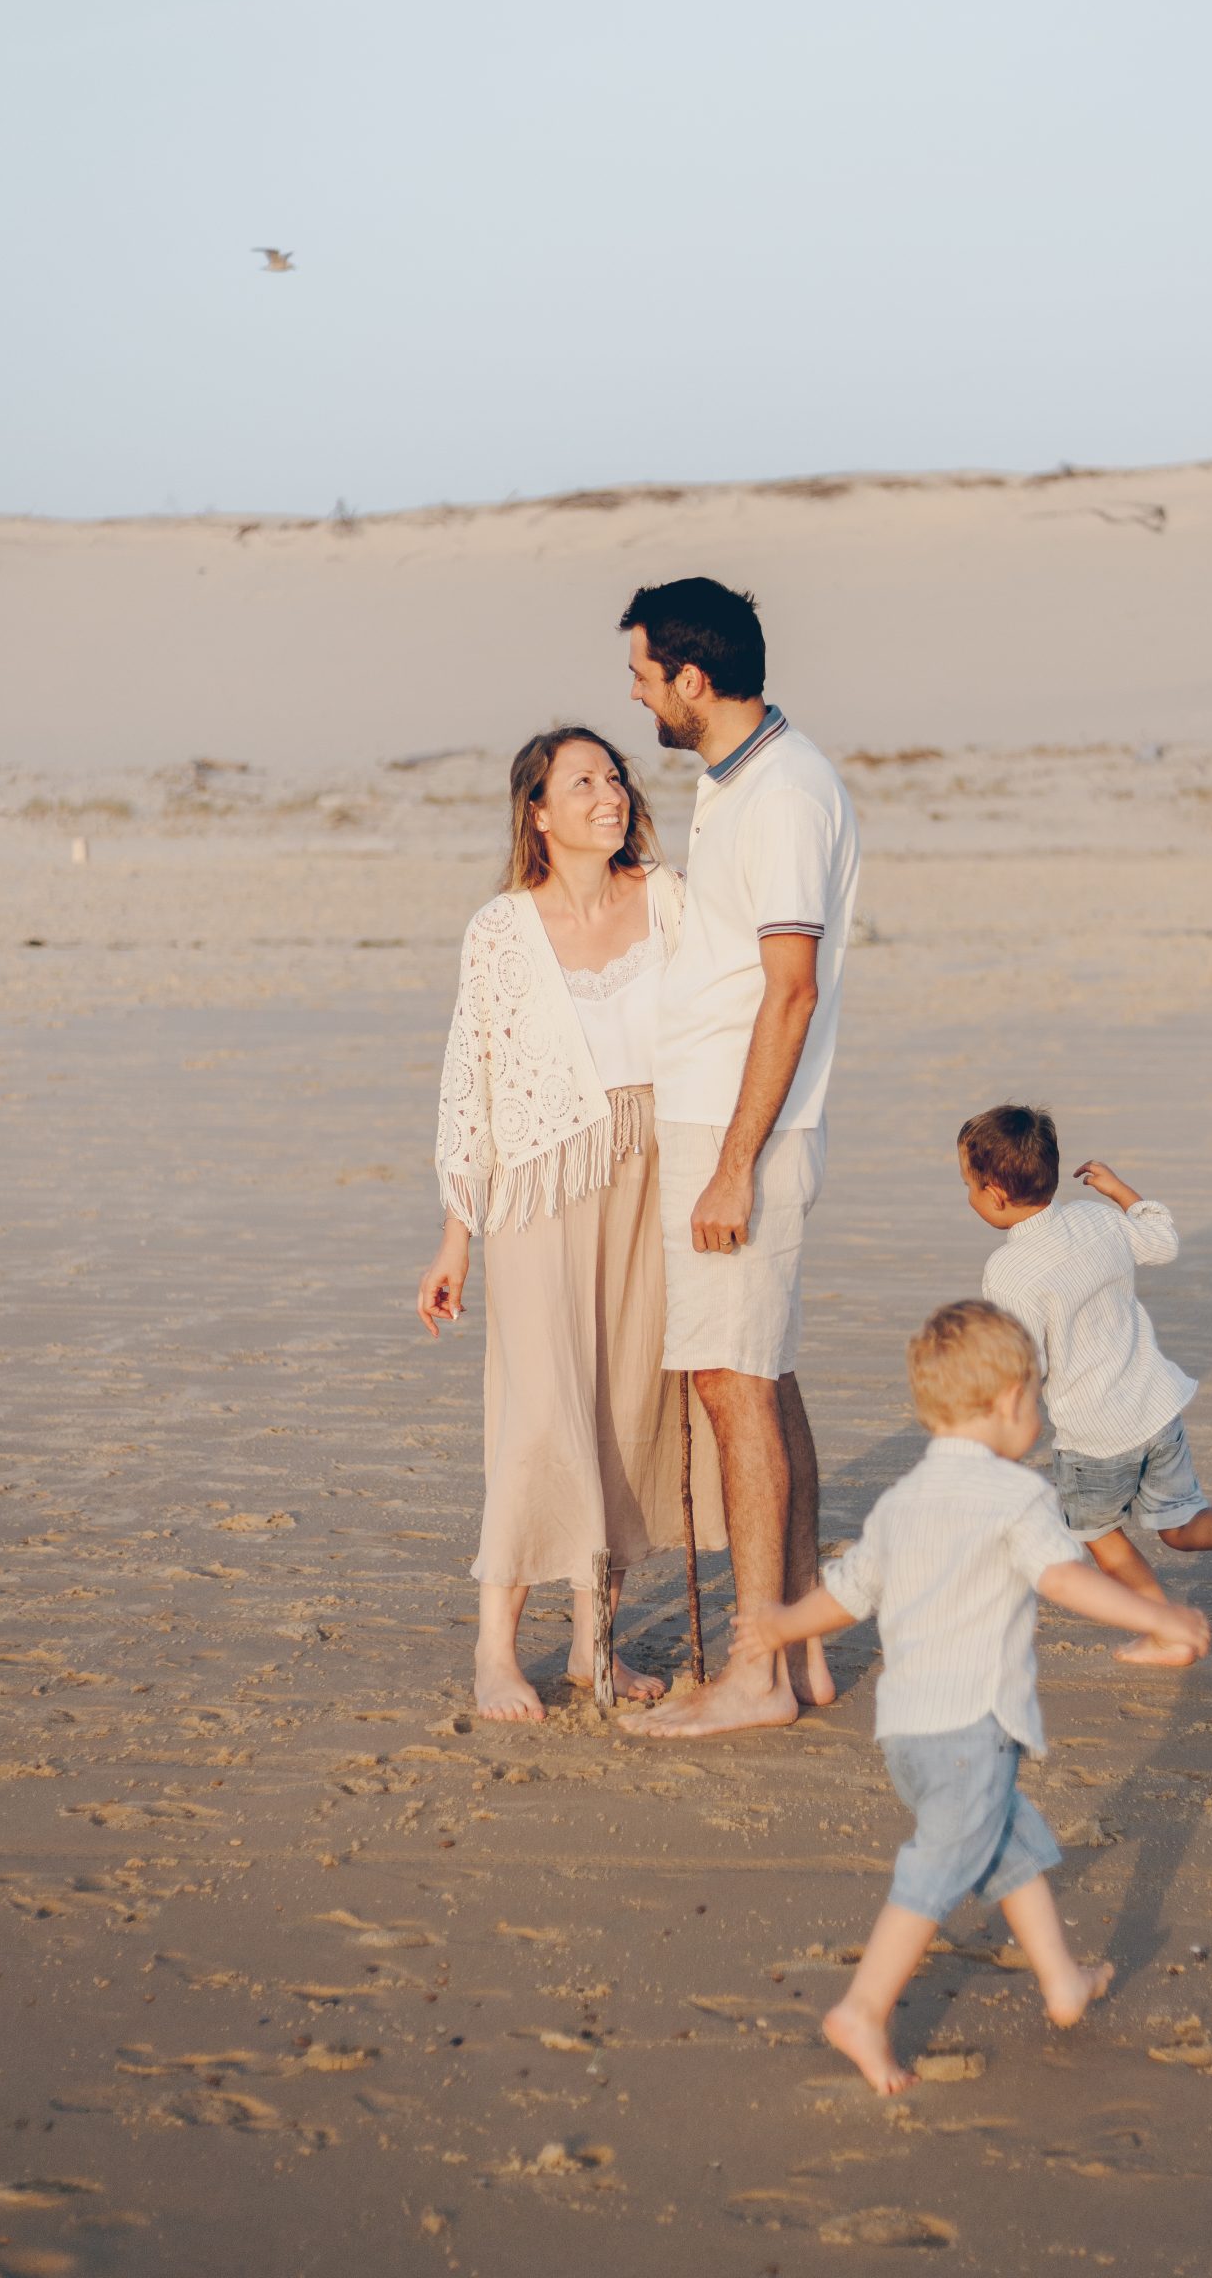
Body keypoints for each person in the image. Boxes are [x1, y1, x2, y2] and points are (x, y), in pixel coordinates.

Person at [733, 1299, 1210, 2093]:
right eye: (1037, 1401)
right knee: (940, 1865)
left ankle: (1060, 1978)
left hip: (909, 1737)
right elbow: (1063, 1580)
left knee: (1009, 1843)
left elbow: (847, 1595)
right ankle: (863, 2007)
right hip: (968, 1729)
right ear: (1011, 1403)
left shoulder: (901, 1501)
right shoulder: (1015, 1498)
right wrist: (1157, 1613)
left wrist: (782, 1624)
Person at [417, 727, 723, 1722]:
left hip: (656, 1176)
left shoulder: (669, 899)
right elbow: (474, 1078)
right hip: (543, 1188)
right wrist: (457, 1230)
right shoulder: (501, 929)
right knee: (541, 1415)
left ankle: (596, 1647)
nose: (612, 790)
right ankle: (494, 1652)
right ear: (538, 812)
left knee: (626, 1415)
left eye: (617, 774)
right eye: (584, 779)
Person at [618, 576, 859, 1736]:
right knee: (763, 1373)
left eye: (644, 674)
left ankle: (755, 1673)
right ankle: (802, 1635)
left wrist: (732, 1164)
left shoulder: (785, 793)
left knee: (733, 1387)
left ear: (693, 680)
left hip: (741, 1129)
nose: (636, 692)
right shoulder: (739, 781)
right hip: (723, 1119)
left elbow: (791, 988)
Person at [958, 1103, 1212, 1664]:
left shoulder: (1009, 1271)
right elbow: (1161, 1241)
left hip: (1093, 1435)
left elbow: (1025, 1361)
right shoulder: (1097, 1221)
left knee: (1103, 1539)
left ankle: (1167, 1627)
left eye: (970, 1187)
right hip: (1155, 1407)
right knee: (1181, 1524)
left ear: (996, 1193)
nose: (970, 1197)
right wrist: (1122, 1191)